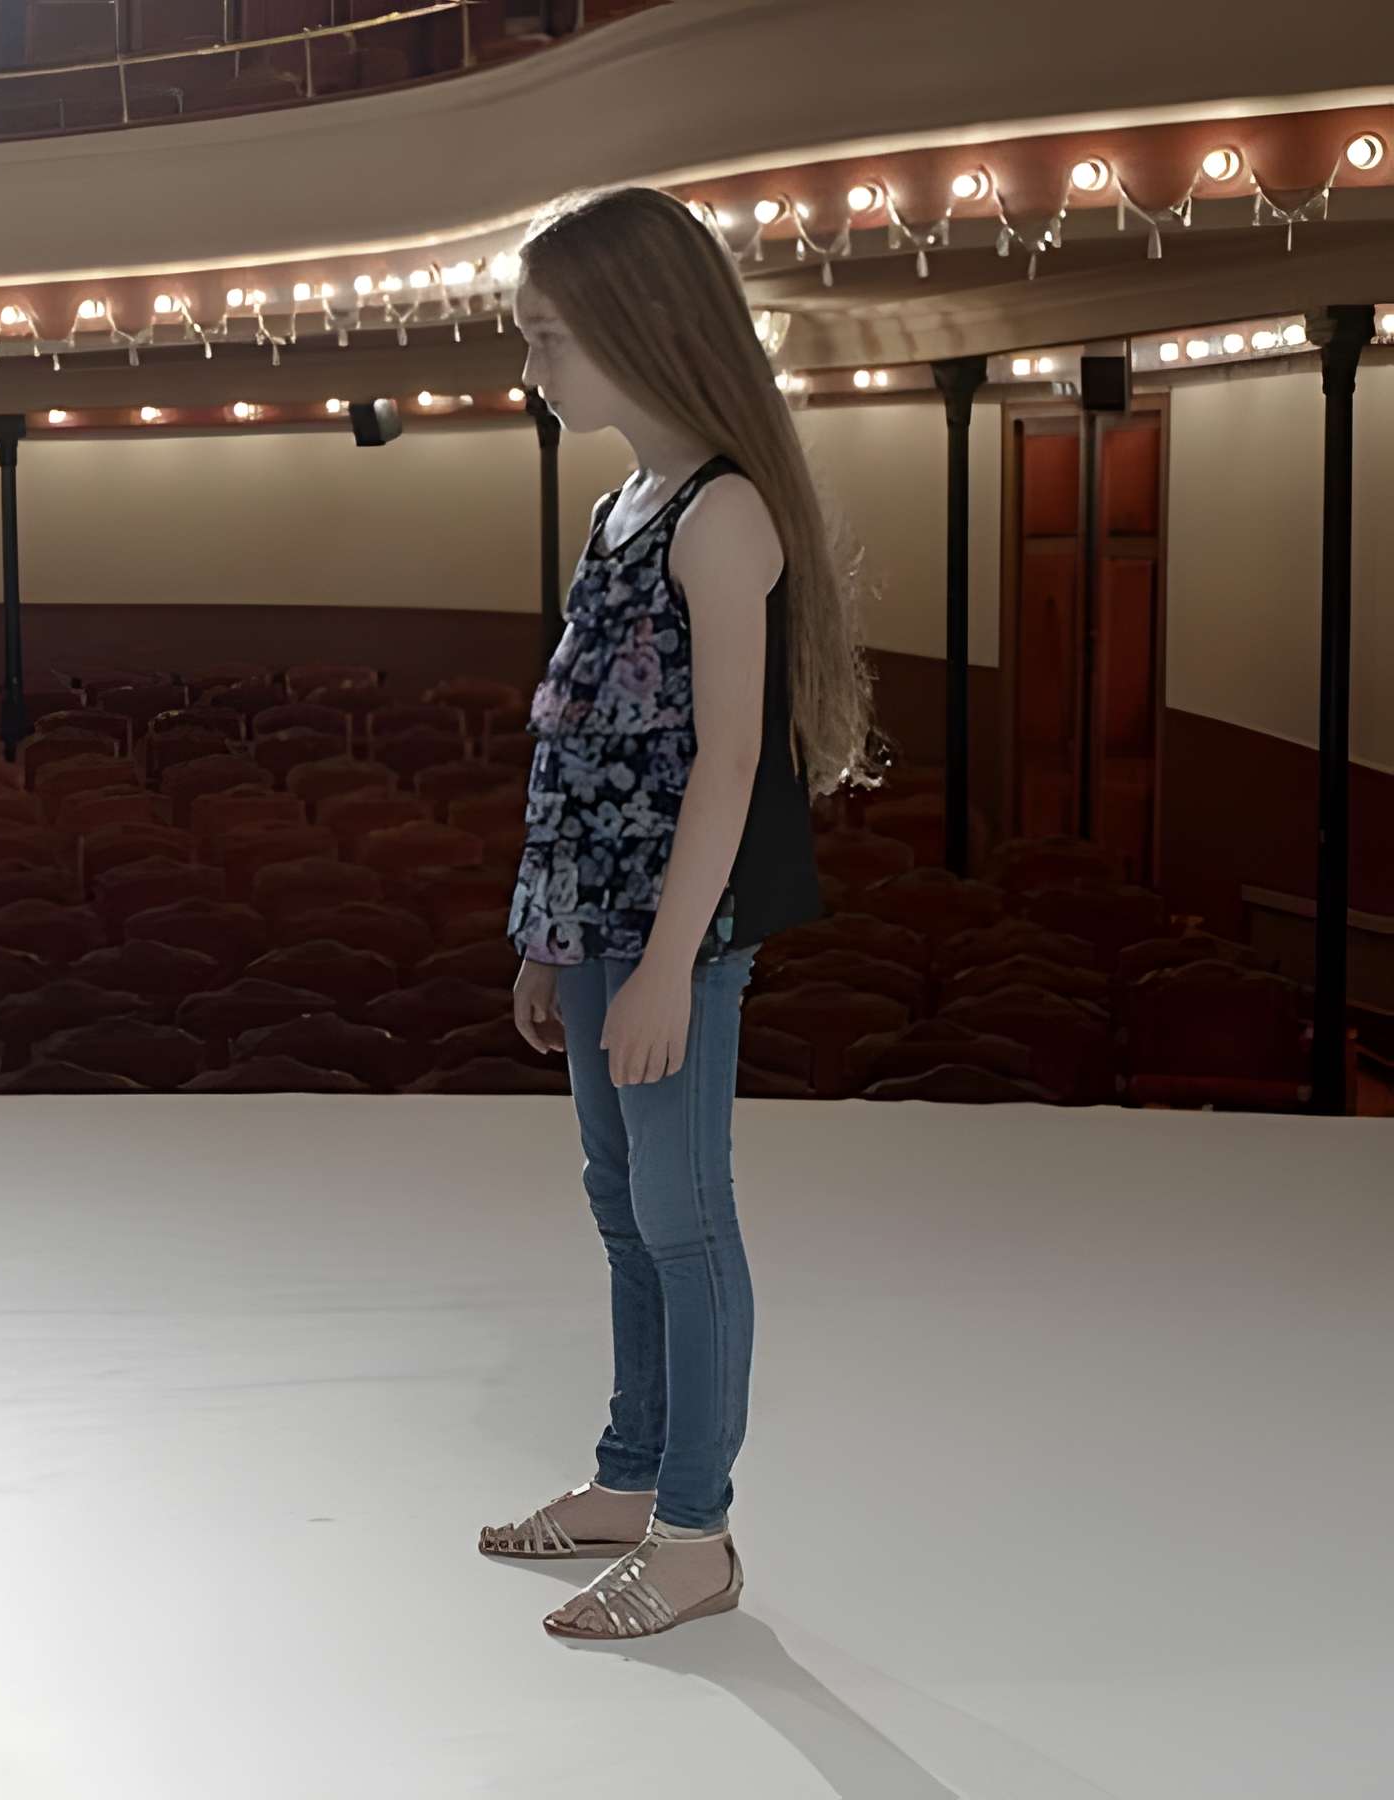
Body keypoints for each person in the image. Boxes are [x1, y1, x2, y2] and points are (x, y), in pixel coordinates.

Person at [478, 187, 875, 1641]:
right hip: (593, 918)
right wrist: (549, 937)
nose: (532, 366)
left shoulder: (723, 514)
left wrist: (663, 966)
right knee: (619, 1202)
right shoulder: (621, 508)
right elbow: (582, 743)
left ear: (638, 329)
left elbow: (726, 764)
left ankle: (696, 1532)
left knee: (683, 1215)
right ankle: (631, 1473)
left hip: (673, 932)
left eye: (550, 337)